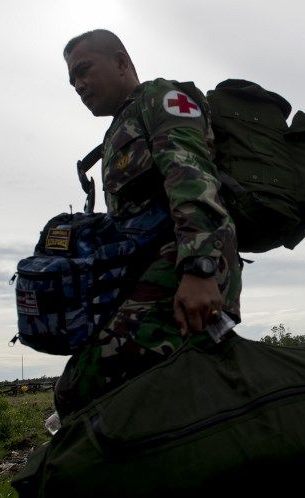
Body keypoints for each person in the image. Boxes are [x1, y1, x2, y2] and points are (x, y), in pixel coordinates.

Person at [56, 29, 241, 416]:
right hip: (150, 278)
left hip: (186, 274)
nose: (78, 84)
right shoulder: (117, 130)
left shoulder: (162, 98)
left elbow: (191, 175)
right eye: (72, 79)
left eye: (84, 70)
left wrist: (200, 269)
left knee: (79, 389)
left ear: (122, 62)